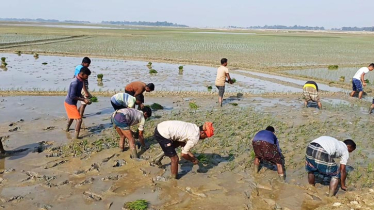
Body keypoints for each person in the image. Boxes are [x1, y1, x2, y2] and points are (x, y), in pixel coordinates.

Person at [65, 66, 91, 139]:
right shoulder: (75, 82)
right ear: (82, 74)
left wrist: (84, 98)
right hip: (69, 103)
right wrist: (83, 100)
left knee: (71, 117)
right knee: (79, 120)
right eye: (87, 75)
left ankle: (67, 129)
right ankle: (76, 137)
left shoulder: (80, 81)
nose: (87, 77)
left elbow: (78, 93)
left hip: (72, 102)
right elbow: (72, 96)